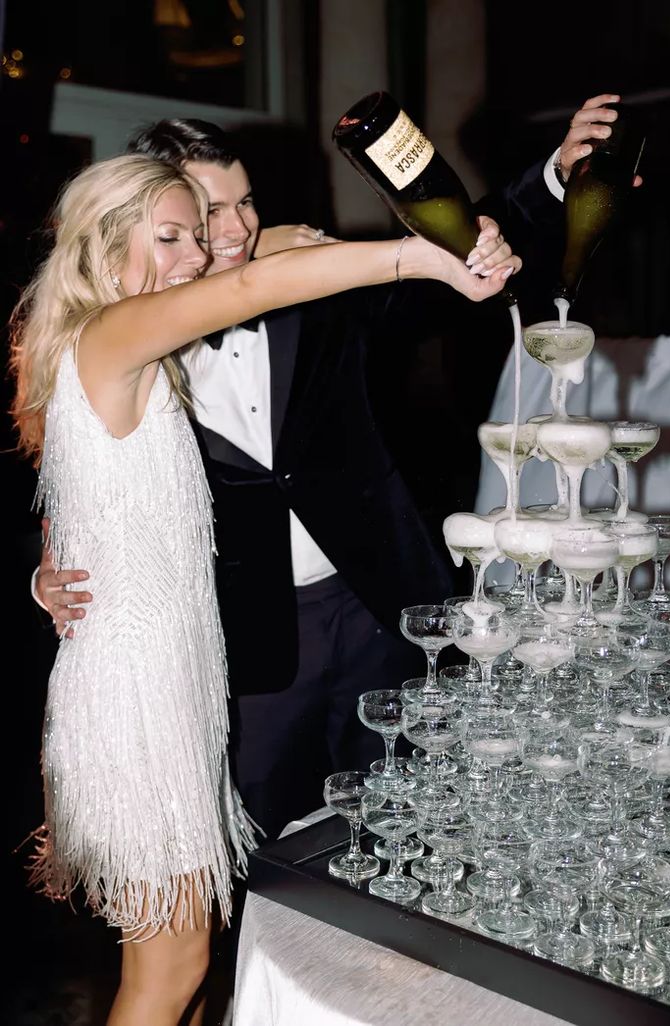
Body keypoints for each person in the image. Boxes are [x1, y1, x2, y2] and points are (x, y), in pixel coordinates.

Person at [11, 152, 517, 1025]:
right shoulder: (116, 335)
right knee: (169, 974)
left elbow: (253, 260)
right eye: (168, 236)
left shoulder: (98, 337)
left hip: (162, 687)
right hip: (140, 702)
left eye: (198, 234)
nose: (194, 254)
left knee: (187, 962)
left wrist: (45, 572)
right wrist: (422, 256)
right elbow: (244, 292)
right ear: (100, 246)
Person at [33, 96, 620, 841]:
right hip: (241, 645)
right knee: (251, 854)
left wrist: (555, 179)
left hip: (378, 607)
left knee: (409, 826)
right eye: (207, 212)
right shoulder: (125, 342)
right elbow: (77, 478)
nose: (238, 228)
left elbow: (449, 257)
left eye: (246, 203)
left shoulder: (311, 287)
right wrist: (46, 572)